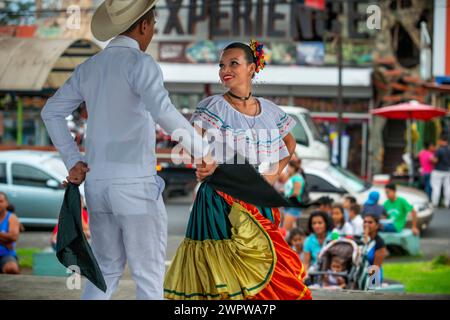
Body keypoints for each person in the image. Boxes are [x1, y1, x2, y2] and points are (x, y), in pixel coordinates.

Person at [41, 0, 214, 300]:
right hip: (134, 185)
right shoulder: (141, 64)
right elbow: (163, 111)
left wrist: (73, 160)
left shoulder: (90, 66)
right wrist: (204, 151)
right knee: (148, 276)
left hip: (96, 185)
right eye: (154, 26)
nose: (152, 33)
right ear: (144, 26)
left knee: (104, 271)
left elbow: (51, 112)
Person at [164, 41, 311, 300]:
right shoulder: (213, 106)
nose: (225, 70)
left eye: (234, 63)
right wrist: (205, 161)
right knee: (221, 269)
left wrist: (272, 174)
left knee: (261, 264)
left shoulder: (271, 110)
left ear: (252, 68)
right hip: (218, 196)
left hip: (255, 193)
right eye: (222, 65)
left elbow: (290, 143)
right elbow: (191, 143)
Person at [363, 214, 388, 284]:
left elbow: (375, 268)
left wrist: (367, 283)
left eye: (370, 222)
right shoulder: (360, 239)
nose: (366, 225)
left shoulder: (380, 243)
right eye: (365, 222)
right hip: (359, 275)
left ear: (377, 226)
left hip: (373, 278)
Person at [283, 160, 306, 231]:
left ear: (293, 168)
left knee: (285, 230)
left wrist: (285, 198)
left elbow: (296, 193)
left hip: (293, 205)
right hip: (289, 205)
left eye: (289, 167)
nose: (287, 169)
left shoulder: (297, 178)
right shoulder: (291, 177)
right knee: (290, 229)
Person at [0, 192, 20, 275]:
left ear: (7, 203)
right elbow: (9, 238)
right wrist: (5, 241)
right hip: (7, 247)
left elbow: (14, 237)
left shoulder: (12, 217)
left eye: (0, 201)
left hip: (6, 255)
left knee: (12, 268)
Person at [431, 135, 450, 208]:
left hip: (438, 171)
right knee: (448, 188)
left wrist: (431, 159)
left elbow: (435, 160)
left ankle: (435, 203)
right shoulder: (449, 149)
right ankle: (447, 203)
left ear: (442, 141)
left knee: (436, 187)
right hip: (447, 171)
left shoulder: (439, 150)